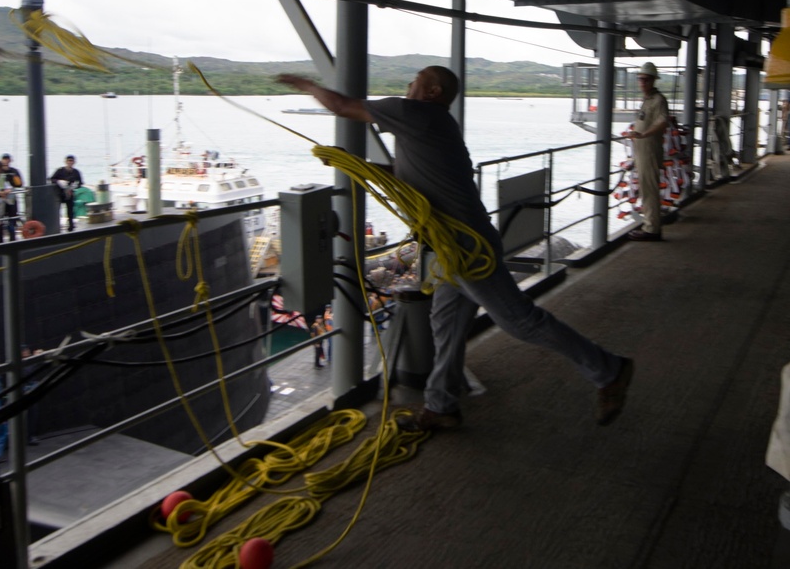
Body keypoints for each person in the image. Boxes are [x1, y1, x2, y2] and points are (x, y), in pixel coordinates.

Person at [277, 67, 634, 430]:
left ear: (431, 91)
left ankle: (608, 369)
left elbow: (340, 105)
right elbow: (407, 172)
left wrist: (303, 83)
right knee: (445, 322)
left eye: (414, 79)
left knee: (520, 321)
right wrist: (358, 163)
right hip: (452, 245)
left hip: (465, 246)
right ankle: (440, 406)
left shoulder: (412, 112)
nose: (408, 84)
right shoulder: (434, 123)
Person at [626, 62, 670, 241]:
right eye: (640, 79)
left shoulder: (658, 100)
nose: (642, 83)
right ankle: (649, 225)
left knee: (649, 189)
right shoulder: (647, 100)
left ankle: (652, 229)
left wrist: (644, 134)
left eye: (645, 79)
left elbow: (662, 122)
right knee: (645, 189)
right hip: (642, 151)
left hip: (649, 151)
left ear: (653, 81)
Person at [50, 155, 83, 231]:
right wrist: (58, 181)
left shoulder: (76, 172)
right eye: (68, 161)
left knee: (70, 211)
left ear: (74, 162)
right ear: (65, 162)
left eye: (71, 161)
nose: (70, 162)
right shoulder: (60, 170)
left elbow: (80, 183)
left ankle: (71, 226)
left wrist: (75, 186)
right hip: (59, 194)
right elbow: (52, 179)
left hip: (69, 193)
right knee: (58, 210)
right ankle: (56, 226)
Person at [0, 154, 23, 241]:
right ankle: (0, 239)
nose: (6, 161)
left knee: (12, 218)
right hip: (1, 198)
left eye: (7, 159)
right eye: (4, 159)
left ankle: (12, 238)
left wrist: (13, 178)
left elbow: (20, 184)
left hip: (12, 198)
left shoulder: (14, 171)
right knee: (0, 219)